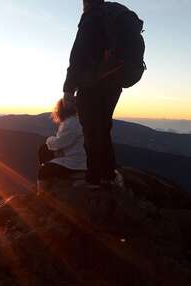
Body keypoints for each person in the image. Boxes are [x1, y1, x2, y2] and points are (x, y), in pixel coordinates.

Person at [63, 0, 131, 188]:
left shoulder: (91, 18)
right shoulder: (112, 14)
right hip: (115, 81)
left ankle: (93, 180)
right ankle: (108, 175)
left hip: (93, 82)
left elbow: (77, 54)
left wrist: (68, 88)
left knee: (91, 131)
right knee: (103, 127)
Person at [37, 99, 87, 194]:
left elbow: (58, 143)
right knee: (45, 149)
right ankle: (50, 181)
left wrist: (49, 139)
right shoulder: (76, 121)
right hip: (78, 158)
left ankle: (42, 195)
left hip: (76, 162)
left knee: (44, 168)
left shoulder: (71, 123)